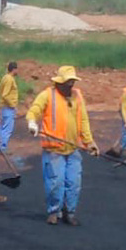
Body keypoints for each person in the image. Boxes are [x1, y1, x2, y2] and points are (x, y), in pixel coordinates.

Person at [26, 65, 96, 226]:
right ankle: (54, 211)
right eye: (68, 82)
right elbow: (34, 110)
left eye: (72, 82)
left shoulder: (77, 95)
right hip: (54, 150)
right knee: (55, 182)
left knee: (73, 183)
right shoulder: (47, 95)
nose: (71, 85)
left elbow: (83, 120)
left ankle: (69, 212)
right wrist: (32, 123)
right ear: (59, 82)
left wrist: (89, 142)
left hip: (73, 148)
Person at [0, 61, 21, 153]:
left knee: (2, 127)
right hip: (8, 107)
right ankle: (2, 147)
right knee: (7, 128)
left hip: (4, 107)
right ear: (14, 69)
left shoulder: (5, 78)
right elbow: (5, 95)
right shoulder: (10, 79)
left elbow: (1, 91)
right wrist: (13, 105)